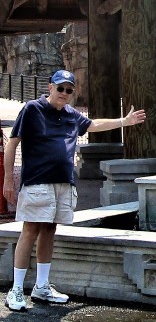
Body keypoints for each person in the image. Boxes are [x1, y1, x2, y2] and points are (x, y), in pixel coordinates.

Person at [2, 70, 146, 312]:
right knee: (30, 230)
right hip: (37, 182)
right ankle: (16, 289)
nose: (65, 94)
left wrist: (124, 121)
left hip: (63, 183)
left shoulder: (71, 114)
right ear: (50, 88)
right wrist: (8, 179)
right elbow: (13, 143)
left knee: (49, 229)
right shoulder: (32, 109)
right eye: (60, 88)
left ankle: (42, 286)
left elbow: (93, 124)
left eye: (69, 90)